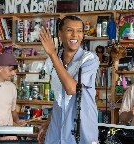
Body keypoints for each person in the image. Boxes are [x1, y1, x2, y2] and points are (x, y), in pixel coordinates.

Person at [37, 16, 100, 144]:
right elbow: (60, 98)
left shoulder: (89, 59)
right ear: (60, 33)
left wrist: (52, 54)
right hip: (56, 127)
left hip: (81, 129)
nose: (75, 35)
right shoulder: (52, 61)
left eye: (79, 31)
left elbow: (71, 89)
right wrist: (48, 122)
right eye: (69, 30)